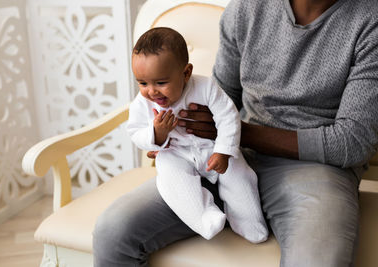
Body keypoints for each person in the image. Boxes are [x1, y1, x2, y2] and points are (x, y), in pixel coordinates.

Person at [93, 0, 378, 266]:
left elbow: (352, 143)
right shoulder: (246, 8)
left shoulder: (370, 20)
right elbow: (219, 98)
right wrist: (169, 134)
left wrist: (235, 134)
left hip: (315, 168)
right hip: (227, 155)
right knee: (113, 231)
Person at [125, 27, 268, 242]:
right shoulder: (143, 103)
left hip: (211, 147)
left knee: (240, 177)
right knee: (171, 182)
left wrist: (223, 151)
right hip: (176, 152)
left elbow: (228, 116)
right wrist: (156, 135)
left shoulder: (206, 87)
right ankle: (205, 218)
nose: (151, 91)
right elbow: (135, 131)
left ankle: (249, 222)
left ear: (186, 73)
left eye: (161, 83)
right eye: (143, 83)